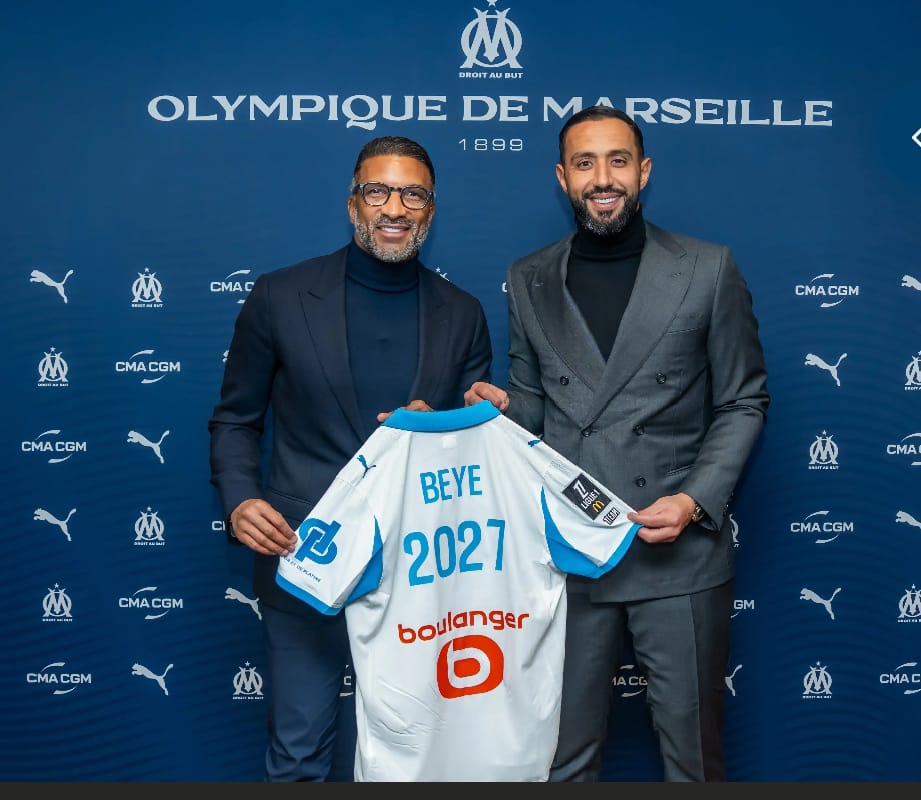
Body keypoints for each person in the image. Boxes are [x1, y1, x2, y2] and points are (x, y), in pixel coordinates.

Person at [465, 105, 770, 782]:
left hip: (678, 555)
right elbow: (537, 408)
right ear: (561, 177)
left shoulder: (706, 268)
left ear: (643, 171)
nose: (601, 178)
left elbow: (742, 399)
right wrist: (498, 412)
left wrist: (693, 499)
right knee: (563, 760)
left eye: (616, 160)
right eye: (583, 163)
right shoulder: (529, 277)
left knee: (691, 761)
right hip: (571, 553)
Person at [209, 135, 494, 782]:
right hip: (302, 556)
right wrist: (240, 498)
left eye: (412, 194)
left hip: (422, 572)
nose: (394, 207)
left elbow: (470, 451)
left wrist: (450, 426)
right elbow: (235, 418)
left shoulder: (464, 314)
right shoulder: (279, 297)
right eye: (378, 191)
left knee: (424, 756)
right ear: (352, 205)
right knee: (300, 751)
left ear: (430, 209)